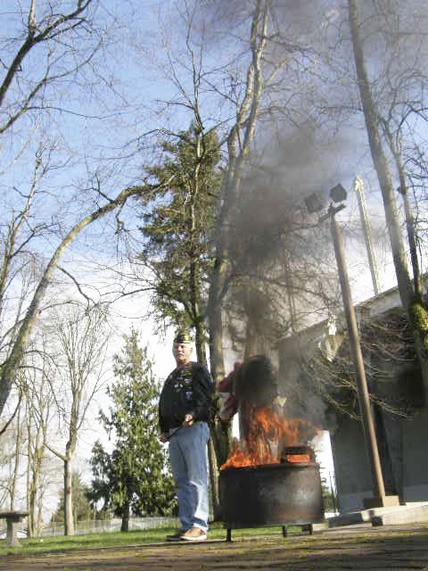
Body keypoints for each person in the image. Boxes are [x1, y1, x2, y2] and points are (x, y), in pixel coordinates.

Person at [159, 330, 213, 542]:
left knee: (196, 477)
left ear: (191, 349)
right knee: (181, 481)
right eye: (176, 345)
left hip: (193, 428)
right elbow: (163, 404)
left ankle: (200, 526)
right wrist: (163, 428)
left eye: (183, 345)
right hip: (175, 434)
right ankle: (187, 525)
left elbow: (206, 397)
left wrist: (194, 413)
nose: (179, 348)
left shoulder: (198, 370)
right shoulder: (171, 377)